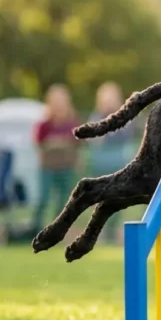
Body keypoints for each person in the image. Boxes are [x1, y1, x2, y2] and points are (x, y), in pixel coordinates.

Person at [86, 82, 134, 243]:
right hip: (99, 165)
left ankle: (112, 232)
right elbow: (94, 138)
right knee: (100, 200)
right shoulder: (95, 117)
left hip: (118, 165)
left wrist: (106, 136)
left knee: (117, 199)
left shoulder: (125, 115)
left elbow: (123, 135)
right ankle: (97, 232)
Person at [32, 84, 80, 232]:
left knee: (64, 201)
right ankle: (35, 228)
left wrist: (56, 143)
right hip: (47, 167)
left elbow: (78, 142)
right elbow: (38, 142)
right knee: (43, 198)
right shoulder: (44, 124)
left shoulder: (72, 122)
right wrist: (58, 143)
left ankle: (58, 230)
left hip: (66, 167)